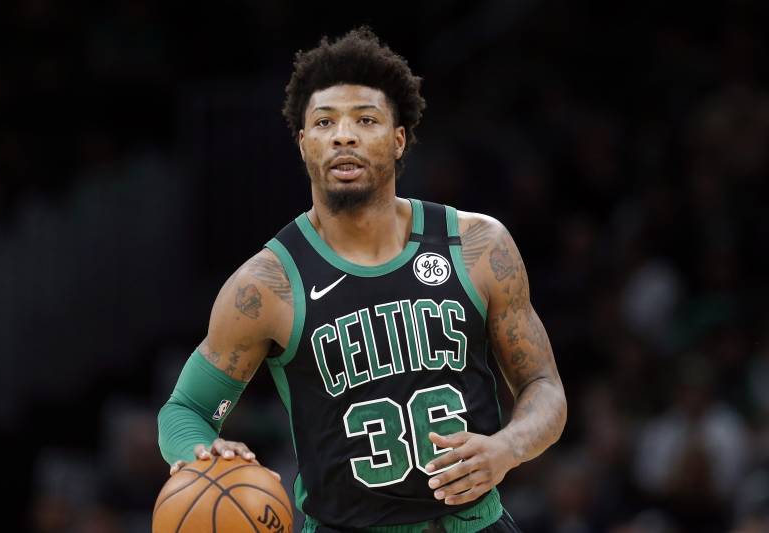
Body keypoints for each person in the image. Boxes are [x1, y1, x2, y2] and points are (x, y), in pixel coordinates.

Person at [157, 27, 567, 533]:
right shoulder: (265, 285)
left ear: (399, 140)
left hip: (474, 524)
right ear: (304, 144)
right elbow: (185, 409)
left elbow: (544, 386)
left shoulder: (479, 245)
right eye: (324, 122)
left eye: (365, 120)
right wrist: (201, 451)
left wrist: (507, 447)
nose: (343, 135)